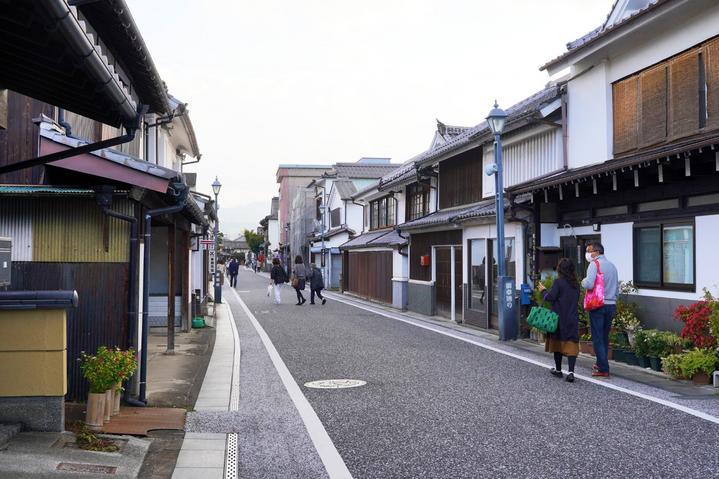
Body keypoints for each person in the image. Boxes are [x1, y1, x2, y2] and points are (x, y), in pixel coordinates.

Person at [539, 258, 580, 383]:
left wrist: (543, 290)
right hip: (572, 317)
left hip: (558, 318)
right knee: (571, 344)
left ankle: (558, 370)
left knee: (557, 343)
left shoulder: (558, 282)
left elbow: (550, 297)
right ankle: (571, 372)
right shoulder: (576, 284)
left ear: (560, 269)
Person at [581, 241, 618, 378]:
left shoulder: (594, 264)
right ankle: (600, 363)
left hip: (598, 305)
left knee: (597, 337)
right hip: (611, 304)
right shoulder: (612, 266)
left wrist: (582, 281)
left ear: (596, 252)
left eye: (589, 251)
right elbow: (617, 289)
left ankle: (603, 368)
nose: (588, 254)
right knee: (604, 336)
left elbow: (589, 284)